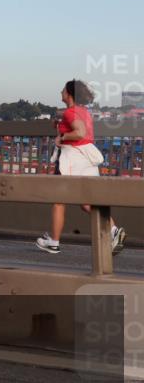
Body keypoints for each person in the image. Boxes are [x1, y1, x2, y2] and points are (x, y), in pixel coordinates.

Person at [36, 80, 126, 255]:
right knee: (87, 202)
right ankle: (114, 230)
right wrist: (59, 127)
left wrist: (62, 137)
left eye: (63, 89)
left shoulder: (70, 112)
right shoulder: (83, 111)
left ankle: (53, 242)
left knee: (59, 200)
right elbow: (82, 130)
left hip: (72, 158)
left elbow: (79, 132)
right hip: (87, 158)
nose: (60, 91)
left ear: (69, 93)